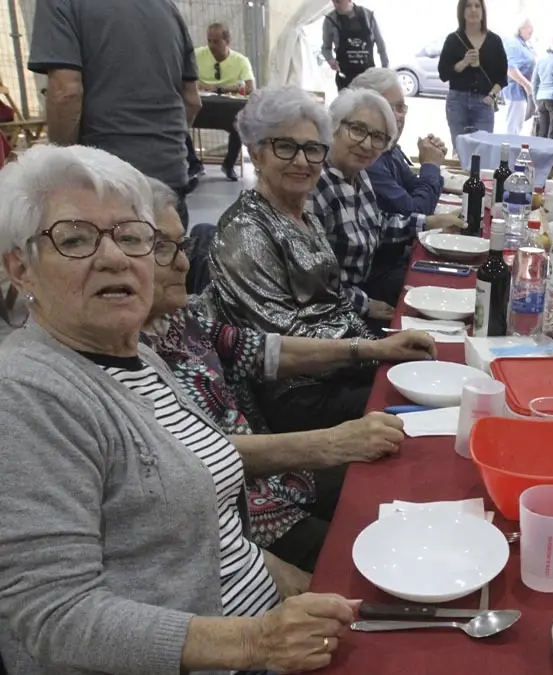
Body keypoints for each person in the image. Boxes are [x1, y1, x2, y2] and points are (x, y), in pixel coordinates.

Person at [0, 143, 358, 675]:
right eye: (74, 238)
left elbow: (198, 521)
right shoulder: (27, 393)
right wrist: (256, 642)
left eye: (131, 237)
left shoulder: (139, 358)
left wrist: (277, 576)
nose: (114, 258)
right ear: (20, 268)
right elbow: (55, 615)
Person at [143, 180, 429, 571]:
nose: (183, 264)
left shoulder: (178, 317)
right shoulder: (119, 362)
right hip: (238, 513)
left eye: (180, 246)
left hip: (275, 476)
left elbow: (264, 350)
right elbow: (186, 460)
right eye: (160, 248)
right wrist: (332, 442)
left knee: (405, 475)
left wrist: (375, 349)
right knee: (383, 560)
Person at [203, 86, 429, 434]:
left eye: (312, 149)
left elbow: (334, 305)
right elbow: (280, 344)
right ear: (256, 152)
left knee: (432, 374)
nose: (302, 161)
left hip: (339, 368)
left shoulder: (303, 216)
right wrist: (374, 350)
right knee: (422, 414)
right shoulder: (245, 230)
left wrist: (379, 347)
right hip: (297, 393)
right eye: (285, 146)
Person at [28, 0, 203, 228]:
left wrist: (62, 164)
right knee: (166, 248)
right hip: (169, 175)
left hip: (104, 183)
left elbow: (66, 93)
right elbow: (192, 100)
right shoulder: (167, 7)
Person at [313, 88, 446, 314]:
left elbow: (377, 224)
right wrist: (366, 306)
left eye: (378, 137)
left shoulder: (358, 174)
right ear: (333, 127)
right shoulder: (316, 183)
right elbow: (312, 280)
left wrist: (428, 223)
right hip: (337, 309)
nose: (367, 144)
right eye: (357, 130)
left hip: (363, 287)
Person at [351, 68, 456, 221]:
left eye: (400, 107)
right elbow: (417, 213)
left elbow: (416, 191)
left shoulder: (390, 149)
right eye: (387, 109)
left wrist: (432, 164)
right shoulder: (368, 158)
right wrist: (431, 166)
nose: (397, 116)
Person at [188, 22, 256, 182]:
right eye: (209, 41)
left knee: (240, 123)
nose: (211, 45)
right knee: (178, 120)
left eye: (216, 41)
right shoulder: (197, 55)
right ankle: (194, 163)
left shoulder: (241, 61)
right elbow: (186, 78)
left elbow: (249, 88)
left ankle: (229, 164)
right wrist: (199, 85)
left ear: (227, 40)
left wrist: (219, 88)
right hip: (200, 107)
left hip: (228, 110)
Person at [438, 0, 508, 153]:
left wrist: (491, 96)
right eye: (468, 6)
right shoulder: (453, 39)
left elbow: (502, 77)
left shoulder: (494, 41)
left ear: (483, 11)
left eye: (477, 6)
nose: (473, 10)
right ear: (462, 11)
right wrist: (463, 63)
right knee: (460, 150)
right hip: (457, 101)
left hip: (484, 101)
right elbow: (443, 73)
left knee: (483, 150)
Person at [322, 0, 389, 91]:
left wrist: (386, 70)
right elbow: (325, 48)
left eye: (338, 2)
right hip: (345, 78)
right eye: (333, 1)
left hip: (368, 77)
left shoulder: (368, 16)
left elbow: (381, 45)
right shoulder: (330, 20)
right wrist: (330, 60)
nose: (335, 5)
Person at [501, 19, 537, 135]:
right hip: (515, 92)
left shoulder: (524, 44)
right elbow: (510, 68)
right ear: (520, 28)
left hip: (521, 93)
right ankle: (510, 147)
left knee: (517, 127)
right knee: (513, 129)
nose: (532, 30)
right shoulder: (513, 44)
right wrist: (527, 85)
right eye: (529, 27)